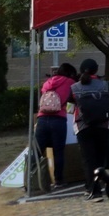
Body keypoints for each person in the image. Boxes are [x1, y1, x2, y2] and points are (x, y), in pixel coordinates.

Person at [70, 58, 109, 201]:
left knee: (89, 159)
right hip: (103, 126)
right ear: (96, 69)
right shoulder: (105, 85)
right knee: (100, 158)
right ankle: (98, 185)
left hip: (83, 127)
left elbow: (70, 108)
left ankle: (94, 191)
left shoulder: (75, 87)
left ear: (81, 70)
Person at [36, 63, 78, 191]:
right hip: (58, 119)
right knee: (58, 151)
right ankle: (58, 180)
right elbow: (75, 98)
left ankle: (31, 180)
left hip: (42, 119)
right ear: (70, 73)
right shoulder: (70, 82)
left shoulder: (47, 83)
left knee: (37, 151)